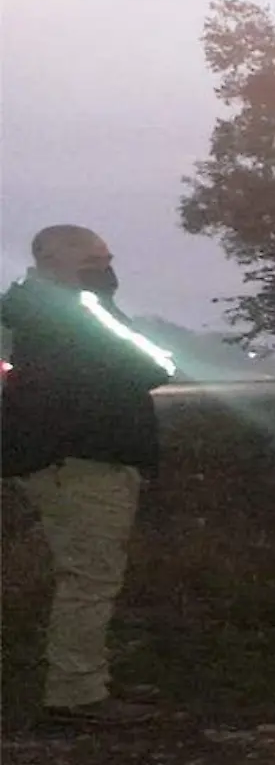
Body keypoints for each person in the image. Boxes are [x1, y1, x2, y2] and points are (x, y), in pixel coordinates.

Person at [0, 225, 174, 725]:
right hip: (83, 461)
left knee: (83, 573)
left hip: (59, 458)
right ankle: (76, 693)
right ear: (57, 261)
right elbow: (153, 364)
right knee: (91, 577)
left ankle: (81, 678)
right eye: (95, 259)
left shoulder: (33, 308)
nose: (107, 267)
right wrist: (98, 300)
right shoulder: (74, 309)